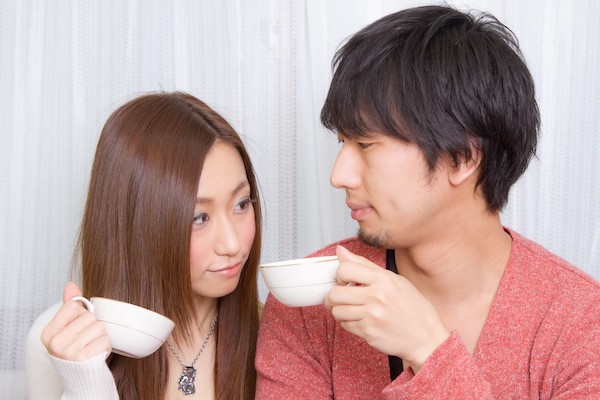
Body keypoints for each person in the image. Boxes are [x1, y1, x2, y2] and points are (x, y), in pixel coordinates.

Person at [255, 5, 600, 399]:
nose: (339, 176)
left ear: (462, 157)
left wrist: (429, 351)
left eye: (365, 144)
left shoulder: (582, 324)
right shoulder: (308, 300)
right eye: (341, 142)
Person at [26, 91, 262, 400]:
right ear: (136, 225)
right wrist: (87, 384)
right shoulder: (62, 342)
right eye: (199, 218)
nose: (232, 244)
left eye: (241, 204)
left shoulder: (276, 332)